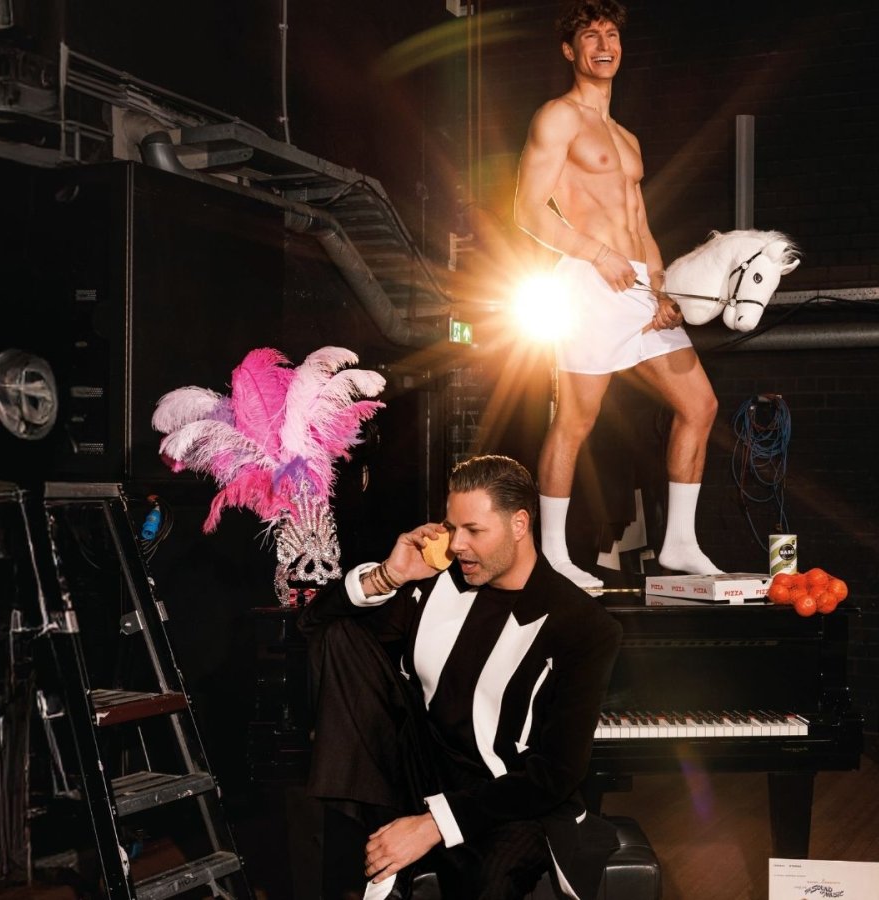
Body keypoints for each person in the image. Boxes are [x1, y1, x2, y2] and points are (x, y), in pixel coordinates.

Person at [300, 455, 623, 900]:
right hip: (416, 774)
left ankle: (392, 864)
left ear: (519, 524)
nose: (457, 545)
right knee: (343, 638)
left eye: (474, 530)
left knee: (494, 878)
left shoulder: (584, 626)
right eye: (452, 528)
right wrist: (389, 576)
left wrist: (434, 824)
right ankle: (381, 861)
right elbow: (319, 631)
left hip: (507, 799)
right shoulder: (434, 582)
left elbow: (556, 774)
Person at [513, 0, 725, 589]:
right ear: (570, 50)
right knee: (576, 420)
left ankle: (679, 544)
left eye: (611, 35)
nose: (604, 45)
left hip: (634, 282)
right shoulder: (558, 117)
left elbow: (639, 221)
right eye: (590, 36)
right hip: (589, 279)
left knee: (700, 406)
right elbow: (526, 210)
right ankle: (552, 556)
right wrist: (595, 253)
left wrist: (660, 288)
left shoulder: (626, 137)